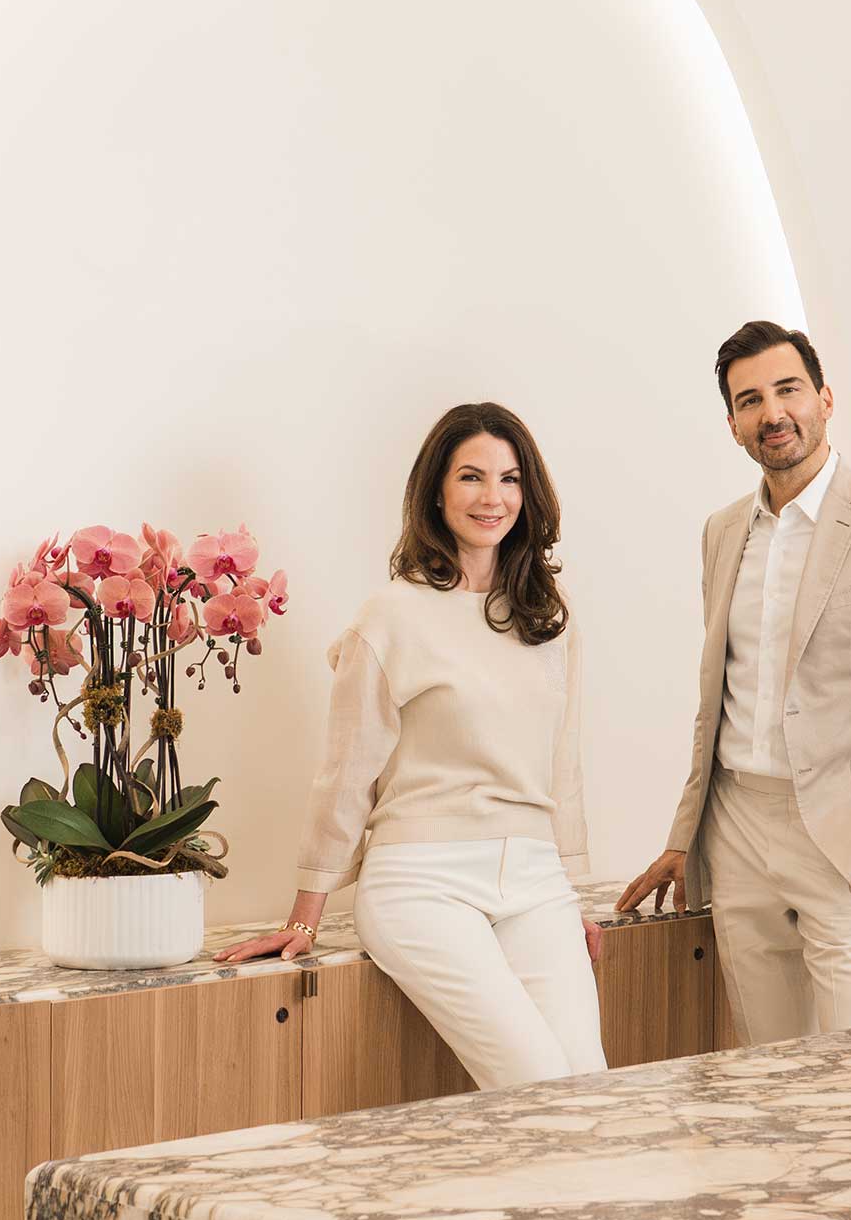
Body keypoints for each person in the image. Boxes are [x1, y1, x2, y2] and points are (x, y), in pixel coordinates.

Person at [616, 320, 851, 1043]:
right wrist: (686, 836)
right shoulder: (722, 531)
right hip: (738, 833)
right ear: (732, 425)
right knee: (769, 1071)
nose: (773, 412)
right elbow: (716, 702)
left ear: (824, 398)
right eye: (749, 400)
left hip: (850, 837)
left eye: (788, 390)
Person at [216, 403, 606, 1088]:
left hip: (535, 879)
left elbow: (562, 766)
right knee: (537, 1080)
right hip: (423, 881)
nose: (492, 498)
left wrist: (576, 895)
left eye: (510, 479)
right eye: (471, 477)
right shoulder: (392, 615)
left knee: (589, 1085)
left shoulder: (550, 616)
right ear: (436, 492)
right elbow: (346, 775)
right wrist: (304, 919)